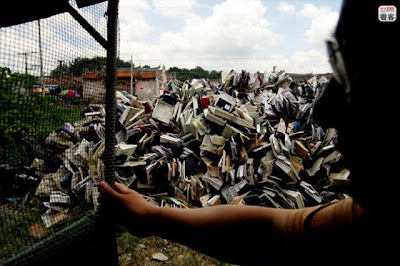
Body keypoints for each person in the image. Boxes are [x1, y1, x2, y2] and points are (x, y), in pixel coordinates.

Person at [99, 0, 399, 264]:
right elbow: (276, 231)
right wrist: (152, 217)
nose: (323, 113)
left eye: (351, 74)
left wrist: (153, 218)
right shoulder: (374, 223)